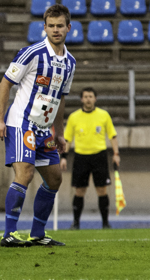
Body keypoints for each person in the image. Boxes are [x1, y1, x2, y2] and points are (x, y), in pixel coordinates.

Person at [0, 4, 76, 247]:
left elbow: (60, 99)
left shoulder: (70, 62)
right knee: (25, 173)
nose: (56, 30)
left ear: (68, 28)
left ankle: (37, 234)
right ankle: (9, 233)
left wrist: (58, 133)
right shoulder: (31, 53)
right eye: (51, 26)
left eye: (60, 26)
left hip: (43, 129)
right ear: (45, 27)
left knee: (54, 180)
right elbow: (5, 83)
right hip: (21, 123)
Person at [61, 87, 120, 230]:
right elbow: (67, 139)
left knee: (102, 190)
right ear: (81, 99)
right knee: (79, 190)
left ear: (95, 99)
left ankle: (105, 223)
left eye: (91, 96)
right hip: (81, 157)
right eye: (85, 96)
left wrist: (116, 154)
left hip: (99, 156)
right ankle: (76, 223)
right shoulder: (74, 117)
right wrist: (63, 157)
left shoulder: (104, 115)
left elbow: (112, 135)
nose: (88, 99)